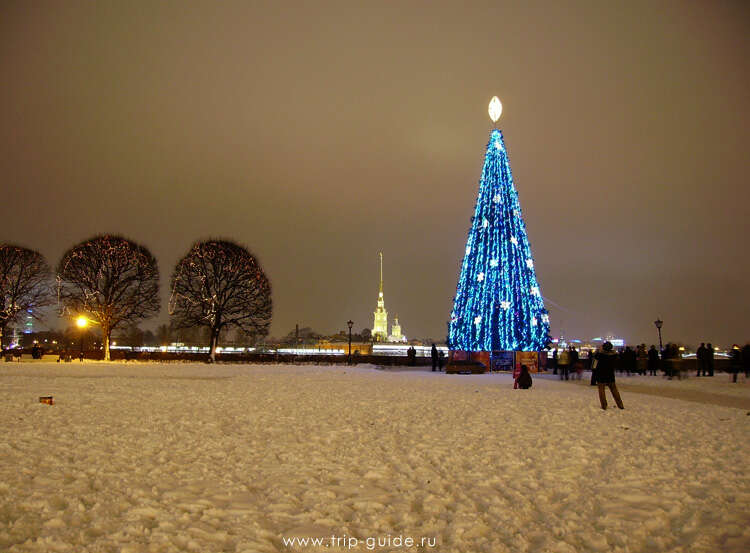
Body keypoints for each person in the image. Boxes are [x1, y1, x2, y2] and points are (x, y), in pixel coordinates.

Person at [594, 341, 624, 410]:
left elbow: (595, 356)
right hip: (610, 374)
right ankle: (620, 404)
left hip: (601, 373)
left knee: (601, 390)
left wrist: (600, 350)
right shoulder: (614, 355)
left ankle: (604, 405)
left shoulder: (600, 354)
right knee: (614, 389)